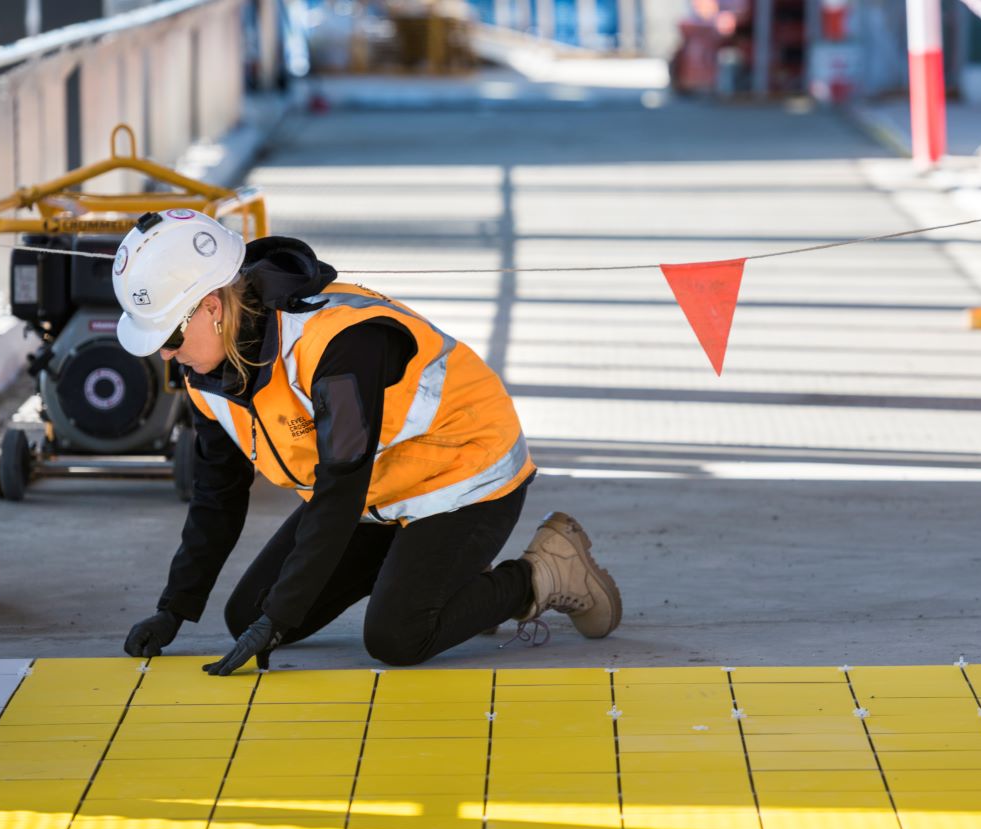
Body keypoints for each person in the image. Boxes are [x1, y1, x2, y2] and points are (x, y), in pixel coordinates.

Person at [111, 209, 621, 675]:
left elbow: (340, 484)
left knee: (397, 636)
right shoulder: (210, 374)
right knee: (248, 614)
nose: (164, 355)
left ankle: (544, 574)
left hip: (465, 477)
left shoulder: (340, 347)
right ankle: (441, 577)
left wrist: (282, 613)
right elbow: (216, 496)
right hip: (378, 495)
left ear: (211, 306)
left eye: (168, 338)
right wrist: (174, 608)